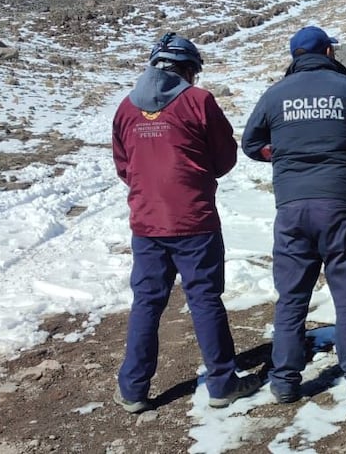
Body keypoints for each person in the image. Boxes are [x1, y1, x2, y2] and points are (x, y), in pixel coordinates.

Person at [112, 32, 261, 413]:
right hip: (194, 219)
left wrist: (148, 187)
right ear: (188, 70)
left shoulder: (127, 108)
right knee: (205, 299)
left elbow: (124, 165)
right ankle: (223, 383)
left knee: (146, 302)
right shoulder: (198, 101)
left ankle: (133, 389)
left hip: (147, 223)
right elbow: (225, 156)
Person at [241, 25, 346, 404]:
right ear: (327, 52)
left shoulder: (275, 95)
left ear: (295, 57)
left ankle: (285, 381)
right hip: (339, 205)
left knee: (291, 297)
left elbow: (251, 143)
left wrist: (282, 157)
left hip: (291, 209)